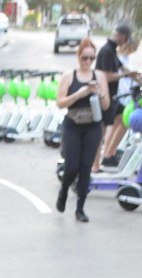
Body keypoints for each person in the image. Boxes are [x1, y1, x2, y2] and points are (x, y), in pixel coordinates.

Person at [55, 38, 111, 222]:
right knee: (71, 166)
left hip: (92, 127)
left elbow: (106, 105)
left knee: (86, 167)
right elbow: (60, 103)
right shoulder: (69, 76)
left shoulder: (99, 76)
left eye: (91, 58)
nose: (88, 61)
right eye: (85, 57)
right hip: (72, 125)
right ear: (78, 56)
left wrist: (99, 93)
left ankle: (80, 208)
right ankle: (64, 191)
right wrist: (80, 93)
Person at [93, 22, 133, 171]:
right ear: (121, 36)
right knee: (100, 132)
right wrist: (125, 75)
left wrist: (135, 76)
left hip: (113, 97)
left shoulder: (113, 51)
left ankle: (109, 155)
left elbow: (123, 68)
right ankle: (95, 165)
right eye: (126, 39)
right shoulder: (106, 51)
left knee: (124, 120)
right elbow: (106, 76)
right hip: (104, 97)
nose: (125, 42)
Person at [99, 38, 141, 168]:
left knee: (117, 125)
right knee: (123, 125)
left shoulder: (122, 58)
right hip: (122, 97)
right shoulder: (120, 59)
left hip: (121, 96)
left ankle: (108, 153)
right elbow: (125, 78)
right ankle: (109, 154)